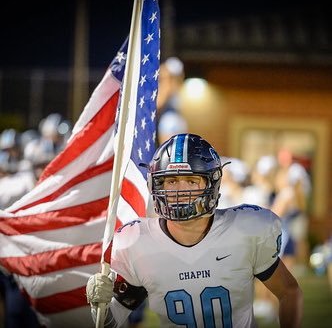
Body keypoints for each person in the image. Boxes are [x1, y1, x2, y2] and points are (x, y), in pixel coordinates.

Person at [86, 133, 303, 328]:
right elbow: (110, 322)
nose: (180, 190)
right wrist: (100, 308)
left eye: (191, 180)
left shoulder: (246, 230)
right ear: (156, 186)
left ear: (213, 183)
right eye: (170, 181)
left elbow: (289, 291)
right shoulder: (137, 243)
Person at [156, 57, 188, 146]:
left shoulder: (171, 87)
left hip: (172, 121)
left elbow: (159, 105)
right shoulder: (173, 87)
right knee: (172, 154)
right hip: (172, 121)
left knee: (172, 154)